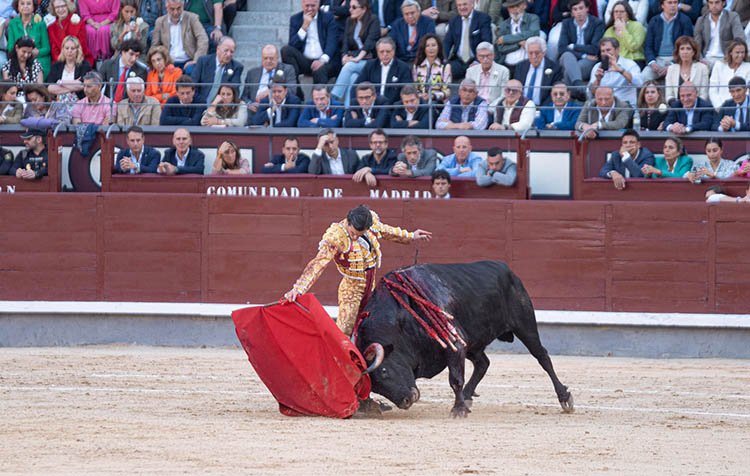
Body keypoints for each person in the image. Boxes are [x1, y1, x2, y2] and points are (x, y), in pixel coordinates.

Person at [283, 204, 432, 337]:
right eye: (352, 232)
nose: (354, 237)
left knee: (369, 324)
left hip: (370, 283)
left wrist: (411, 236)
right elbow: (318, 263)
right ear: (348, 222)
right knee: (344, 329)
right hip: (351, 288)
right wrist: (299, 288)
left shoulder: (370, 221)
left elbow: (387, 231)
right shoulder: (336, 236)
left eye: (358, 234)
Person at [330, 0, 380, 107]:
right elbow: (345, 43)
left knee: (349, 67)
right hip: (354, 60)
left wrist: (356, 57)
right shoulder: (350, 21)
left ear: (363, 9)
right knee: (353, 78)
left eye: (353, 7)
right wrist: (344, 56)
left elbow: (370, 43)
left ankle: (333, 99)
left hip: (370, 62)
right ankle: (349, 110)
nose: (350, 9)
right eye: (349, 7)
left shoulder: (373, 20)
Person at [281, 0, 339, 86]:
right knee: (286, 50)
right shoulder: (295, 19)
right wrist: (304, 27)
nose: (310, 9)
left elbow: (332, 41)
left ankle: (319, 97)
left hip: (324, 60)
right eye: (307, 6)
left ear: (318, 4)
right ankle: (296, 92)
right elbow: (293, 45)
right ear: (302, 4)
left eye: (313, 6)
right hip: (305, 61)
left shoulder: (328, 18)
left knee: (320, 70)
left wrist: (322, 60)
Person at [557, 0, 605, 90]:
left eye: (581, 8)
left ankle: (576, 93)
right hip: (578, 57)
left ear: (587, 8)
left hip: (589, 61)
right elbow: (562, 48)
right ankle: (580, 88)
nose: (578, 12)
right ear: (572, 12)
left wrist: (574, 46)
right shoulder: (567, 23)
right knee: (567, 55)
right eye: (575, 9)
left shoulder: (597, 23)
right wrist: (583, 55)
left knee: (570, 72)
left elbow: (594, 49)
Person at [152, 0, 209, 74]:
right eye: (172, 9)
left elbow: (203, 39)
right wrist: (160, 62)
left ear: (183, 6)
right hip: (168, 61)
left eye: (179, 8)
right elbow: (155, 45)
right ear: (167, 7)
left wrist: (196, 60)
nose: (175, 12)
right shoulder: (160, 22)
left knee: (191, 70)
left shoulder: (192, 18)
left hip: (188, 60)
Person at [642, 0, 694, 82]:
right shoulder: (654, 21)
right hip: (657, 59)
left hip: (678, 59)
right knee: (644, 76)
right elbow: (648, 46)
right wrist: (652, 63)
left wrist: (672, 64)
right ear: (662, 5)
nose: (673, 5)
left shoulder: (685, 20)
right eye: (670, 3)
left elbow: (686, 46)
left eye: (675, 2)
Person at [442, 0, 492, 80]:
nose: (462, 7)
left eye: (465, 4)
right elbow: (447, 43)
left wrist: (477, 61)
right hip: (458, 61)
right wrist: (445, 62)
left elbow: (486, 42)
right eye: (459, 5)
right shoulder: (454, 21)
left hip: (477, 60)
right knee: (445, 71)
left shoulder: (483, 18)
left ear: (472, 4)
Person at [47, 35, 92, 123]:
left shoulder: (84, 65)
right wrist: (73, 83)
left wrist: (61, 82)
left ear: (77, 50)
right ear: (63, 49)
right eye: (67, 48)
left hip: (79, 103)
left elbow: (82, 86)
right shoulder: (56, 66)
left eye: (72, 48)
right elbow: (50, 88)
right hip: (60, 103)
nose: (69, 51)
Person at [242, 44, 297, 114]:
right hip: (256, 111)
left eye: (271, 58)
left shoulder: (287, 70)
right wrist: (250, 104)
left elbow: (292, 90)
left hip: (279, 109)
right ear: (261, 58)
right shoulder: (252, 73)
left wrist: (269, 92)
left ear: (277, 58)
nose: (268, 61)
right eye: (265, 58)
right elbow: (244, 96)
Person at [356, 36, 412, 105]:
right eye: (381, 52)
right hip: (372, 107)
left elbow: (407, 92)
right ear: (377, 52)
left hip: (393, 108)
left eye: (388, 51)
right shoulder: (370, 65)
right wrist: (353, 109)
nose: (385, 54)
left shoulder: (403, 67)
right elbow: (356, 86)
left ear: (393, 51)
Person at [588, 37, 642, 107]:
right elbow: (591, 93)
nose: (605, 54)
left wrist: (621, 71)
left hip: (625, 105)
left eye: (608, 50)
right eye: (603, 51)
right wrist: (598, 80)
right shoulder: (597, 67)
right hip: (604, 106)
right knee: (588, 105)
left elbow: (639, 84)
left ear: (617, 50)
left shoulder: (630, 64)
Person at [513, 36, 564, 106]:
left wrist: (541, 110)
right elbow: (516, 89)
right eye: (530, 53)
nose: (534, 56)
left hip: (542, 108)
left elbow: (553, 94)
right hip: (522, 107)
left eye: (537, 53)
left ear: (543, 53)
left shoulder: (554, 68)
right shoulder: (521, 67)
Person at [190, 35, 243, 103]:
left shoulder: (236, 67)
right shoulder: (203, 61)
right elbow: (193, 85)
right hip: (200, 103)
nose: (229, 54)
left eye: (232, 52)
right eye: (226, 50)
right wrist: (202, 103)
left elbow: (234, 90)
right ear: (218, 49)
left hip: (221, 106)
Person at [694, 0, 744, 70]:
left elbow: (739, 39)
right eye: (711, 3)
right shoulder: (701, 20)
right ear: (708, 4)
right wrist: (700, 60)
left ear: (723, 3)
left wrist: (730, 57)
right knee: (698, 68)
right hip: (707, 59)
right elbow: (696, 44)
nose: (714, 6)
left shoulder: (732, 17)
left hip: (726, 58)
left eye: (717, 2)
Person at [7, 0, 52, 77]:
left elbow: (47, 48)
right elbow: (10, 47)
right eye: (22, 4)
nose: (25, 6)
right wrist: (21, 53)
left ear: (33, 7)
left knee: (38, 67)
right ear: (17, 6)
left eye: (28, 4)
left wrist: (36, 52)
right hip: (18, 58)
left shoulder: (40, 23)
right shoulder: (12, 23)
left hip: (38, 58)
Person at [47, 0, 95, 68]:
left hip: (79, 60)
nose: (60, 9)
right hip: (60, 62)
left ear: (68, 6)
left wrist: (71, 63)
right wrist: (63, 62)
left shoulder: (78, 23)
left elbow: (82, 47)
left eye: (63, 6)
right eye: (57, 7)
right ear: (54, 10)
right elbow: (54, 51)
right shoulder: (51, 28)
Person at [493, 0, 540, 68]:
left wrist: (506, 39)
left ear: (524, 5)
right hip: (507, 64)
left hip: (527, 63)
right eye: (511, 7)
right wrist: (518, 44)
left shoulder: (532, 18)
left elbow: (534, 33)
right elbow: (500, 48)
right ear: (508, 9)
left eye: (517, 6)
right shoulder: (503, 25)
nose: (515, 9)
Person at [663, 36, 709, 104]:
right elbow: (669, 95)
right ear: (678, 52)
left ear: (693, 52)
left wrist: (692, 105)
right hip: (677, 108)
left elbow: (704, 94)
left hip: (696, 108)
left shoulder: (702, 68)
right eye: (682, 49)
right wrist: (678, 106)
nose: (685, 52)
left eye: (688, 49)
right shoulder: (671, 69)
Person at [602, 1, 646, 68]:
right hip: (615, 61)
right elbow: (606, 50)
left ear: (628, 14)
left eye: (622, 12)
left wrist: (623, 30)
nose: (618, 14)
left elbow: (633, 47)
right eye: (616, 12)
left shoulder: (637, 26)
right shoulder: (609, 31)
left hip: (634, 60)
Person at [412, 32, 452, 104]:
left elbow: (447, 91)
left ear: (438, 47)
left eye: (433, 45)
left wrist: (432, 96)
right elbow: (415, 88)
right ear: (424, 48)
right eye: (427, 46)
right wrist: (421, 96)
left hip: (438, 102)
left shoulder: (445, 66)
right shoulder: (417, 66)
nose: (431, 49)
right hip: (420, 101)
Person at [709, 39, 750, 109]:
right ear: (730, 52)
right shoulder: (719, 65)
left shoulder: (748, 67)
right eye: (737, 52)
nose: (740, 55)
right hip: (720, 107)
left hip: (742, 109)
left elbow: (747, 92)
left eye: (742, 52)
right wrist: (721, 108)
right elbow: (713, 90)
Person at [466, 41, 509, 106]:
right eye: (482, 56)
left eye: (488, 56)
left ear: (493, 55)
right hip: (474, 106)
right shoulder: (471, 71)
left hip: (493, 106)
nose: (485, 59)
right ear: (477, 57)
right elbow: (468, 92)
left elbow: (503, 95)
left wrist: (491, 107)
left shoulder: (503, 71)